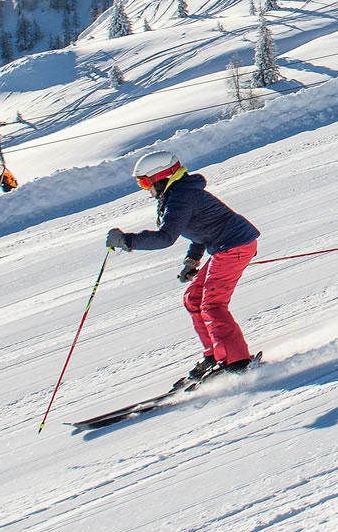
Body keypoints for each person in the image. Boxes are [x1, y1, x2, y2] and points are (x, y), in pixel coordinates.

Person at [106, 150, 261, 380]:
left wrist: (127, 240)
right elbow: (201, 229)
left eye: (145, 182)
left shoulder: (182, 197)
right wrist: (192, 260)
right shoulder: (179, 194)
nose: (145, 189)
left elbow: (165, 238)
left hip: (234, 246)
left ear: (162, 177)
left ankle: (237, 362)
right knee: (193, 298)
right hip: (227, 246)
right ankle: (214, 355)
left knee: (212, 305)